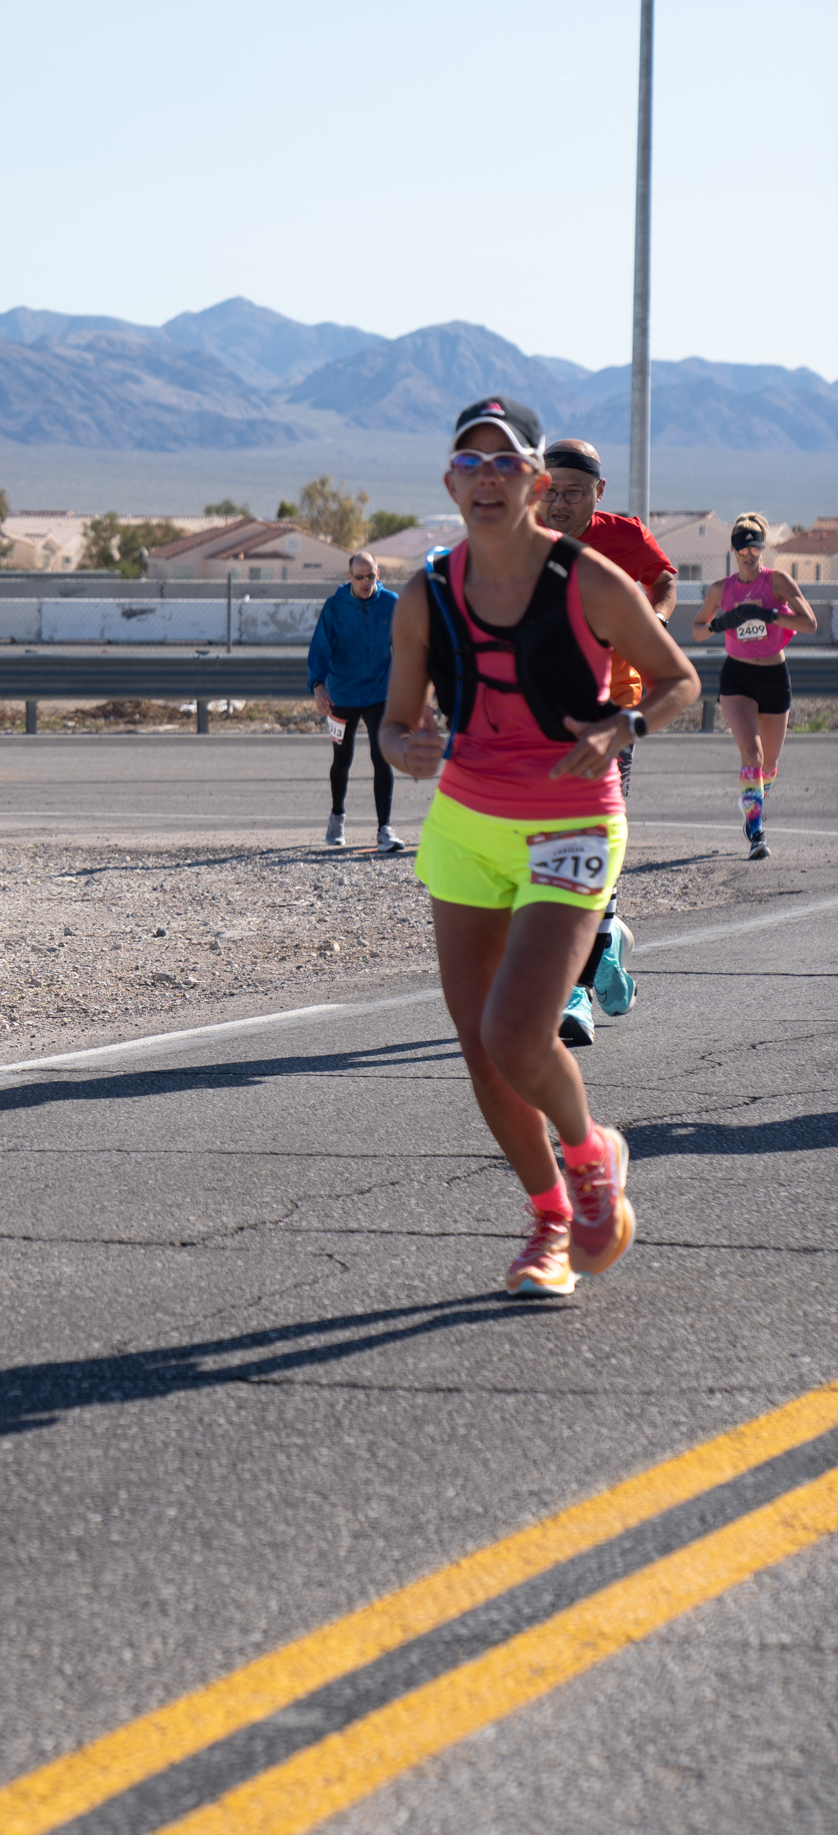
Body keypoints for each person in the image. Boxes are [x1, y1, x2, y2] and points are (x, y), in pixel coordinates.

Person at [382, 395, 698, 1297]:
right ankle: (551, 1220)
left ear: (534, 481)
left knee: (517, 1032)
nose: (486, 477)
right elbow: (395, 724)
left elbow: (678, 680)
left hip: (572, 820)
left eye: (504, 462)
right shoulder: (427, 593)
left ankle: (591, 1155)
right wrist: (404, 748)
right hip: (465, 827)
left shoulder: (588, 579)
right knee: (478, 1047)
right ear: (450, 482)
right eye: (469, 462)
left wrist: (622, 726)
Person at [537, 441, 677, 1046]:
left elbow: (663, 580)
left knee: (589, 842)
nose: (559, 503)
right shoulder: (520, 538)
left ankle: (574, 990)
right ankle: (607, 939)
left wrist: (654, 623)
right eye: (550, 490)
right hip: (539, 718)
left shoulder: (625, 536)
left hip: (613, 712)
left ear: (599, 492)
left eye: (573, 492)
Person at [691, 513, 817, 860]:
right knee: (752, 754)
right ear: (734, 550)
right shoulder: (722, 589)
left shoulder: (777, 581)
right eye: (743, 549)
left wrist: (771, 615)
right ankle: (756, 831)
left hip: (774, 678)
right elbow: (697, 630)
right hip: (738, 679)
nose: (749, 555)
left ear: (763, 549)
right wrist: (723, 622)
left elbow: (809, 623)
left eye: (756, 548)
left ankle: (753, 800)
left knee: (768, 765)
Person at [308, 550, 403, 851]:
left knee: (382, 755)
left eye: (370, 576)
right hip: (342, 694)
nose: (365, 582)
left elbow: (406, 647)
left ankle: (385, 830)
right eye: (359, 577)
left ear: (378, 575)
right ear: (349, 577)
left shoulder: (391, 603)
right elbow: (319, 649)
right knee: (342, 758)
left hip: (378, 692)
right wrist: (318, 686)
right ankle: (337, 816)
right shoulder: (334, 607)